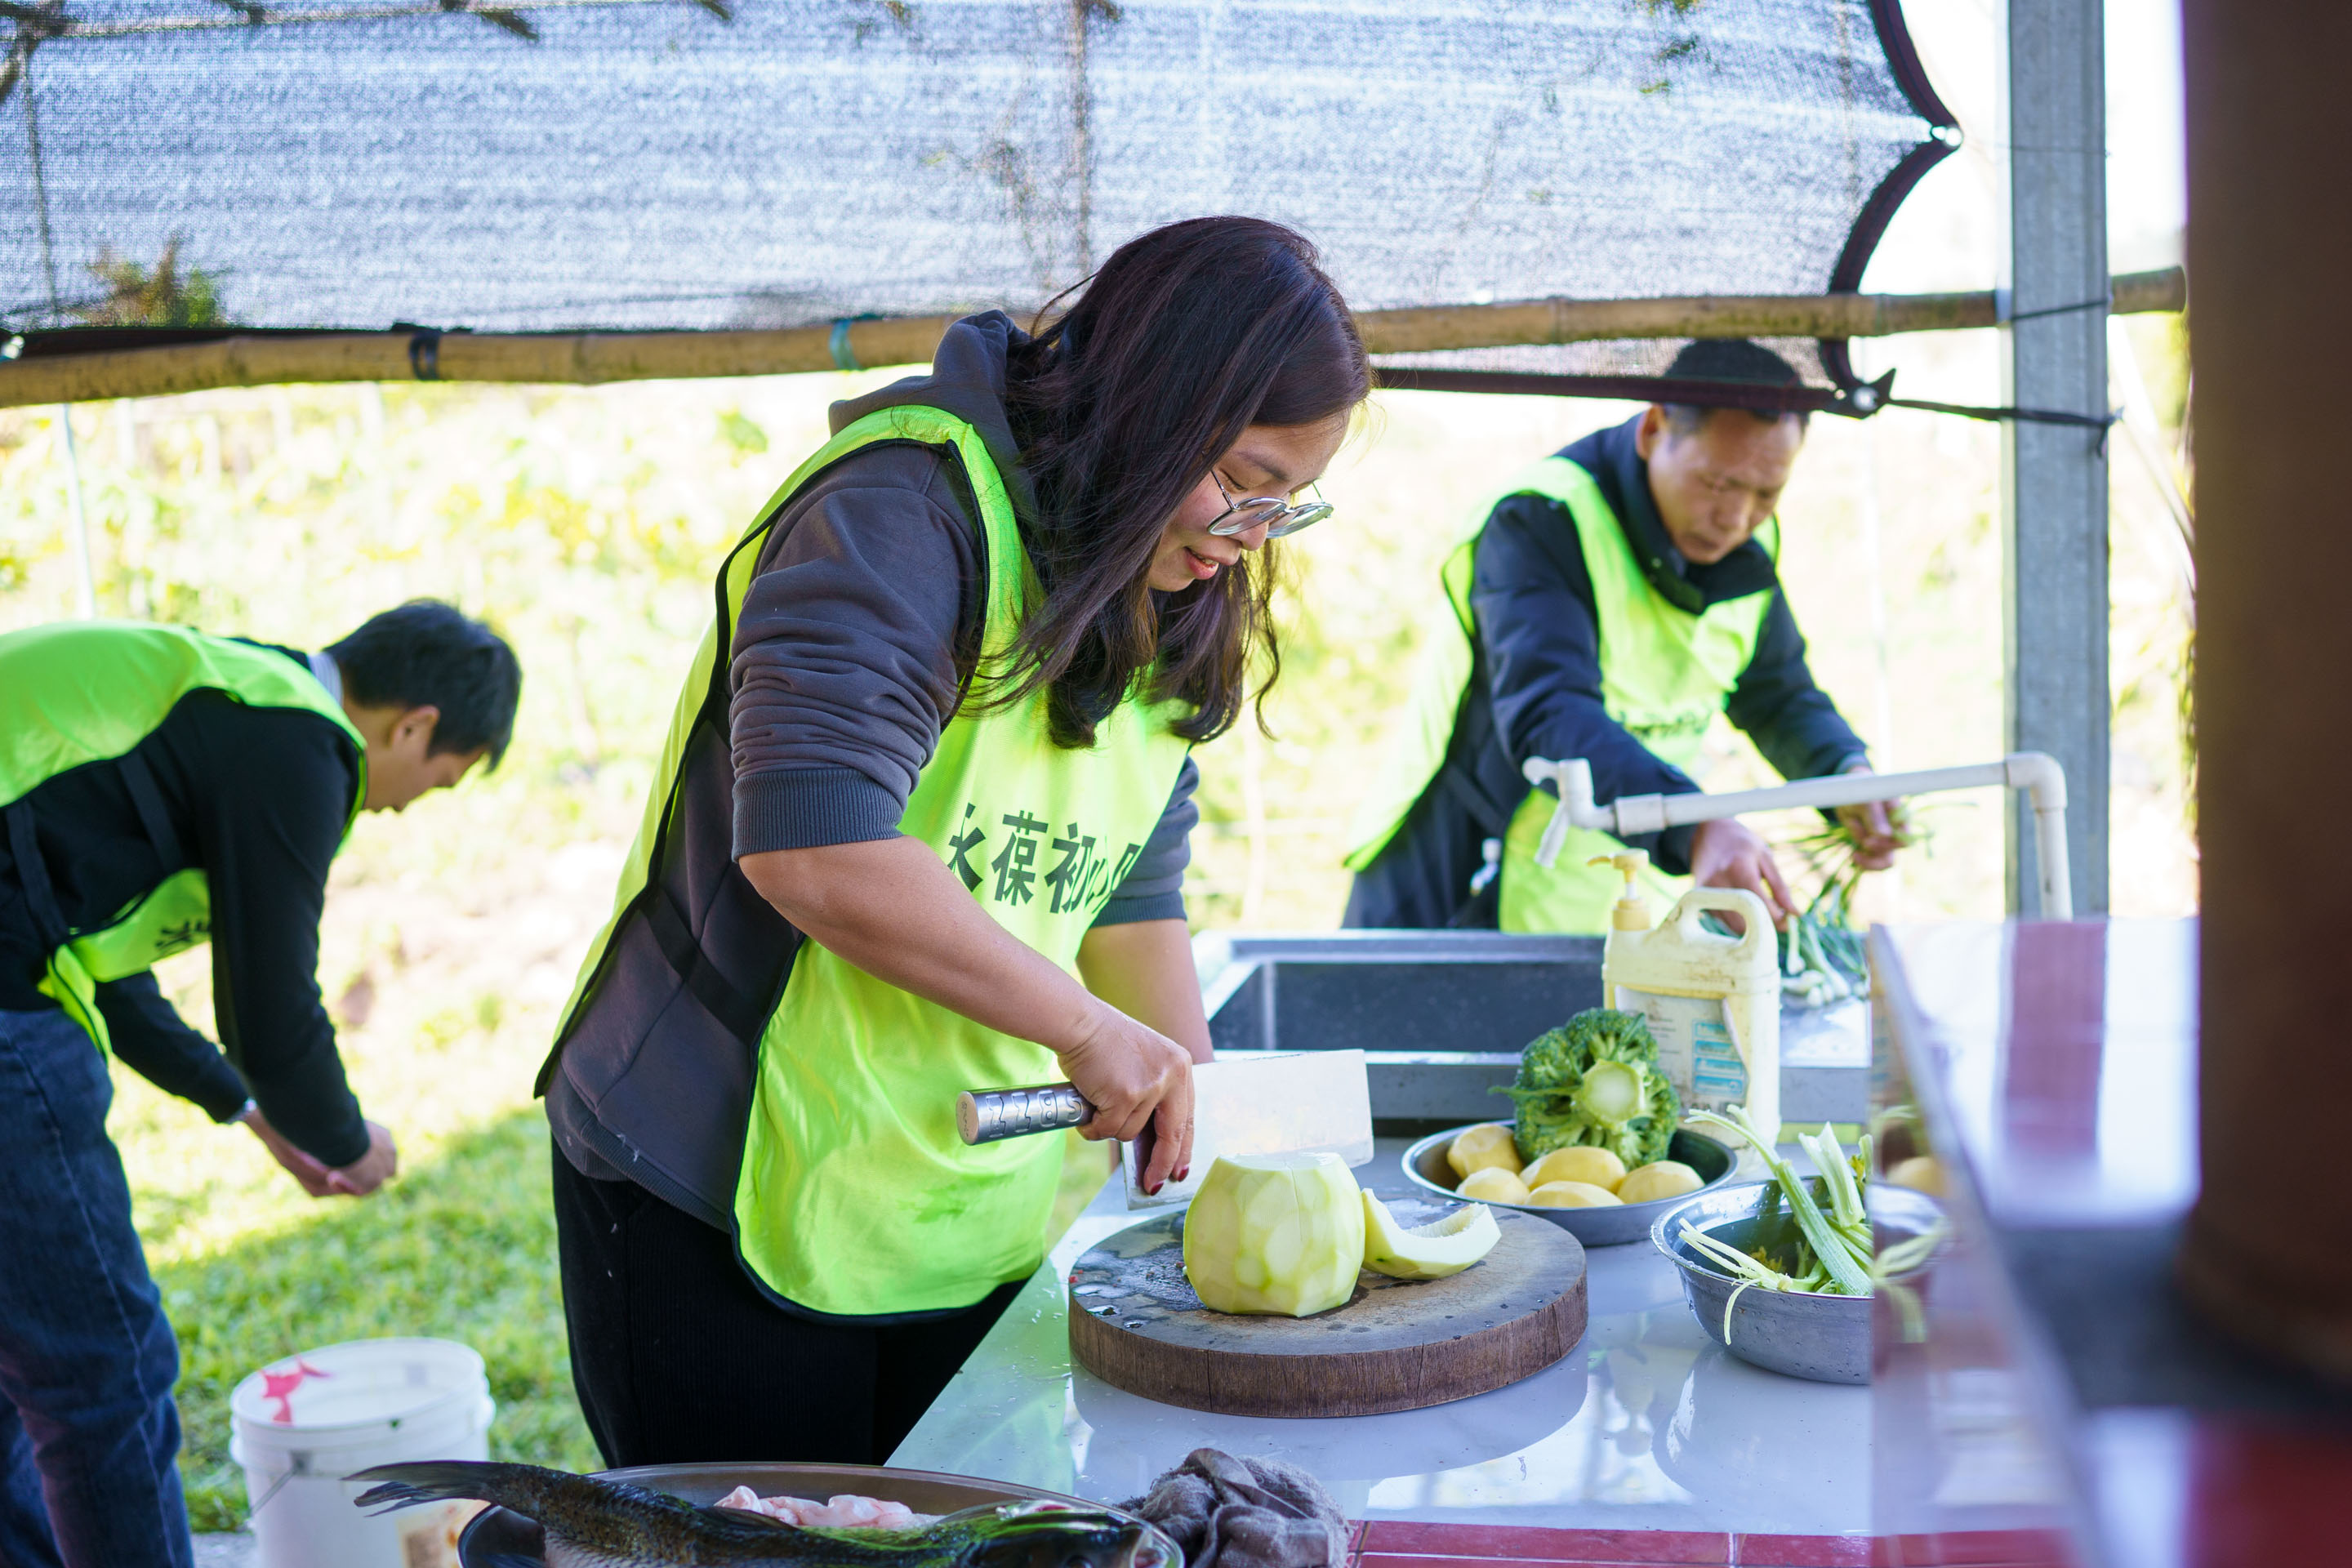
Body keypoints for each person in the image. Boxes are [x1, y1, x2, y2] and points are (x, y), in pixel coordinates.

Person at [541, 216, 1368, 1468]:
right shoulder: (903, 509)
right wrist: (1088, 1033)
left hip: (960, 1188)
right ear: (1152, 402)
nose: (1246, 536)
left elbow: (1126, 876)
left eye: (1284, 509)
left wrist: (1201, 1116)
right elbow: (817, 847)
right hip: (719, 1172)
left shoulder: (1168, 569)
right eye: (1240, 483)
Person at [0, 600, 521, 1568]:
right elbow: (273, 1013)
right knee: (102, 1375)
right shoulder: (296, 745)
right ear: (414, 725)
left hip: (18, 974)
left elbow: (109, 978)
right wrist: (344, 1138)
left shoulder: (229, 696)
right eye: (434, 783)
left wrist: (248, 1113)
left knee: (18, 1362)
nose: (403, 808)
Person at [1343, 340, 1900, 934]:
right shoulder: (1540, 519)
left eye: (1767, 494)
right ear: (1654, 429)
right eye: (1717, 483)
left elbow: (1776, 693)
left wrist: (1843, 770)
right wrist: (1697, 825)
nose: (1736, 518)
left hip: (1618, 888)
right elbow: (1548, 712)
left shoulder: (1750, 545)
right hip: (1456, 878)